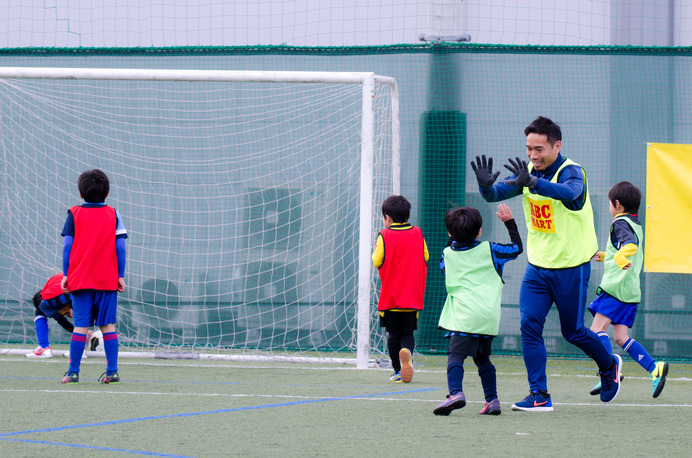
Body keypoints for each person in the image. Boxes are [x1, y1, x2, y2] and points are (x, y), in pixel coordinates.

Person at [470, 116, 622, 411]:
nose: (532, 155)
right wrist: (486, 188)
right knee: (528, 326)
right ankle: (539, 394)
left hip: (572, 267)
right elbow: (496, 194)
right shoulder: (528, 172)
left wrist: (535, 183)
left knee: (573, 332)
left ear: (556, 146)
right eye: (529, 148)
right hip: (537, 267)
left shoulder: (572, 172)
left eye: (539, 149)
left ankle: (608, 366)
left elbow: (570, 194)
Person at [433, 204, 523, 416]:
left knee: (455, 355)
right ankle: (492, 401)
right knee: (482, 359)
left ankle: (455, 393)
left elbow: (443, 266)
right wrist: (510, 223)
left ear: (449, 232)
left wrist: (451, 237)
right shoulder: (491, 250)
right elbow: (516, 248)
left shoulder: (447, 254)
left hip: (463, 318)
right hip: (488, 318)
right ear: (480, 231)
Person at [587, 181, 668, 398]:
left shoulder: (620, 223)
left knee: (595, 332)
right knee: (621, 337)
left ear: (617, 203)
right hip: (630, 291)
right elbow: (625, 248)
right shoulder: (635, 223)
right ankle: (654, 368)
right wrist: (609, 256)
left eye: (610, 203)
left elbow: (628, 246)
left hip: (615, 288)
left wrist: (621, 257)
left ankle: (609, 371)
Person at [60, 169, 127, 385]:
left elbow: (67, 245)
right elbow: (121, 247)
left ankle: (72, 373)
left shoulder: (74, 213)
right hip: (107, 280)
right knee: (108, 326)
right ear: (107, 194)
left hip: (80, 279)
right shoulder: (113, 214)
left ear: (80, 193)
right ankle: (112, 372)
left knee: (81, 326)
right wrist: (121, 276)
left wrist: (66, 274)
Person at [372, 195, 428, 383]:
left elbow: (377, 260)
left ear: (387, 217)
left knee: (393, 335)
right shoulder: (418, 233)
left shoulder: (384, 235)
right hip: (412, 297)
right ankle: (408, 355)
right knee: (407, 334)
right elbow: (425, 256)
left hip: (390, 297)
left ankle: (397, 370)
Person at [26, 273, 93, 358]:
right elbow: (63, 321)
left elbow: (62, 321)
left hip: (68, 286)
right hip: (88, 285)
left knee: (40, 312)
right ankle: (79, 349)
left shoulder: (48, 294)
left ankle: (43, 347)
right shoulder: (67, 300)